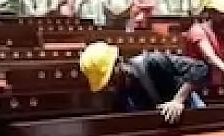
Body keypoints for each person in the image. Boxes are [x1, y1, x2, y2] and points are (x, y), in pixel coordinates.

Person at [79, 41, 209, 123]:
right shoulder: (120, 97)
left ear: (119, 62)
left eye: (111, 78)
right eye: (106, 84)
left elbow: (199, 68)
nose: (111, 88)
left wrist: (178, 100)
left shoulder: (152, 62)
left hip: (190, 117)